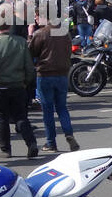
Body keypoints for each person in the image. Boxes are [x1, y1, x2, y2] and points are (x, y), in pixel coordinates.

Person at [0, 14, 40, 159]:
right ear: (10, 26)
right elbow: (29, 66)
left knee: (2, 119)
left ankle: (5, 149)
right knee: (21, 117)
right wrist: (26, 81)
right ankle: (31, 143)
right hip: (18, 85)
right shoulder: (20, 42)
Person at [29, 16, 79, 153]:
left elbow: (31, 52)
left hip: (45, 74)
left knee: (48, 110)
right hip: (62, 74)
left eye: (38, 17)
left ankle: (51, 142)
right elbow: (68, 51)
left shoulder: (40, 33)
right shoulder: (64, 33)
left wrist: (30, 35)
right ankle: (69, 134)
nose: (36, 20)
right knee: (62, 108)